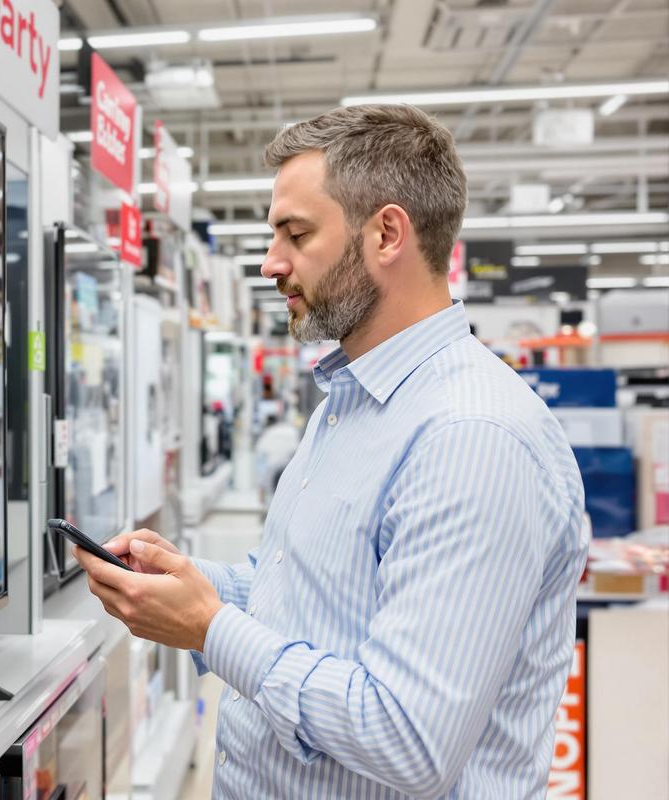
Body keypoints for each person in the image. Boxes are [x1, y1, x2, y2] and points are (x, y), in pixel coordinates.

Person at [74, 105, 587, 799]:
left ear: (386, 234)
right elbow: (317, 603)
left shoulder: (473, 438)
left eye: (296, 233)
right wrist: (194, 584)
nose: (270, 261)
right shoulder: (349, 404)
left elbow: (407, 738)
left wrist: (211, 627)